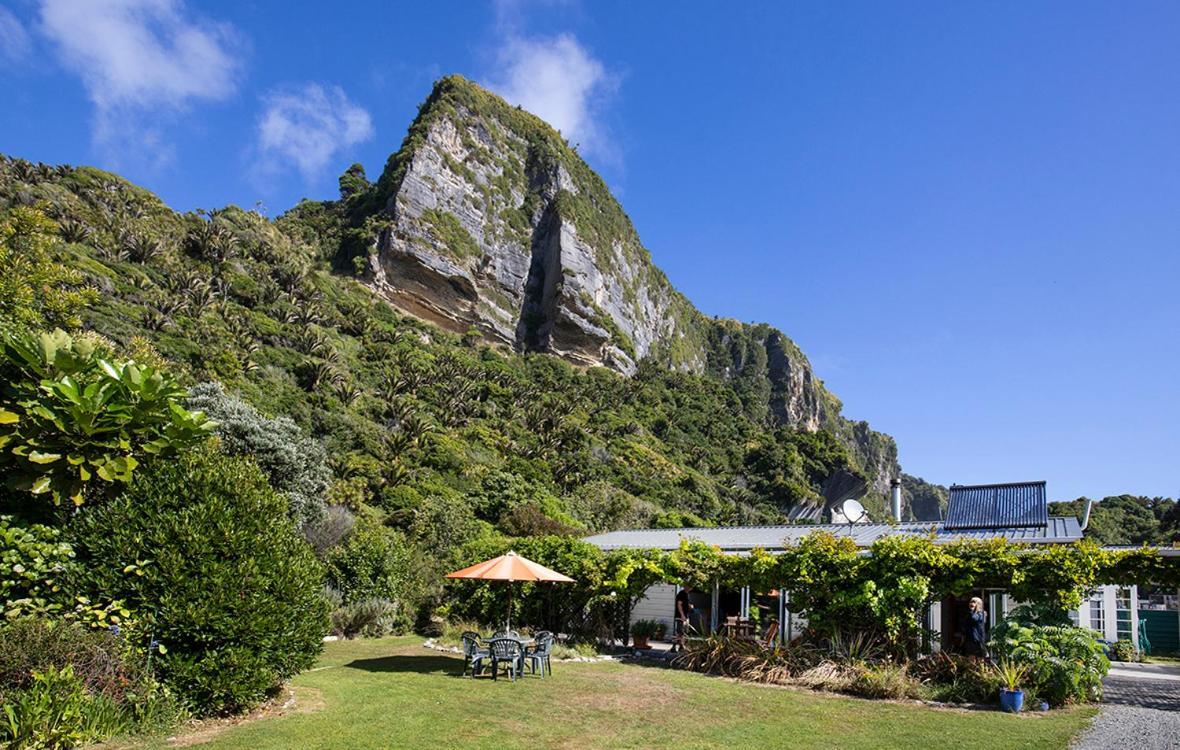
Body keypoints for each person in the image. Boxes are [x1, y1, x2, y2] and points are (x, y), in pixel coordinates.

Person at [673, 586, 694, 653]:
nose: (691, 588)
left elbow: (685, 604)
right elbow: (679, 604)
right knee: (679, 631)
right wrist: (682, 615)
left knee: (684, 632)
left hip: (686, 616)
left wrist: (689, 606)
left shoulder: (687, 594)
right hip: (681, 616)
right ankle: (674, 647)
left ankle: (681, 646)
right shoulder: (681, 594)